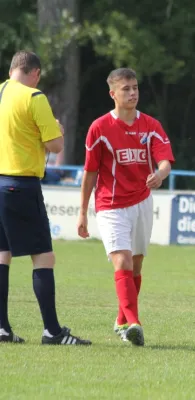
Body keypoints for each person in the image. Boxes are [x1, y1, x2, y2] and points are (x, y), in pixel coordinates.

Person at [77, 68, 175, 346]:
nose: (132, 93)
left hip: (142, 201)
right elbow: (90, 172)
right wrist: (83, 212)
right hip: (110, 205)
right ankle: (134, 322)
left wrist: (160, 174)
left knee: (136, 266)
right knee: (122, 260)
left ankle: (121, 320)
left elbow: (165, 160)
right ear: (113, 94)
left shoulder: (151, 125)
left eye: (135, 88)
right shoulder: (99, 128)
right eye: (126, 89)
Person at [0, 50, 91, 345]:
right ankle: (52, 331)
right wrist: (55, 130)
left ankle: (1, 328)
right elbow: (55, 144)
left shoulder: (0, 91)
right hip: (21, 184)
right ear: (35, 73)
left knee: (2, 255)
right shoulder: (33, 97)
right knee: (43, 256)